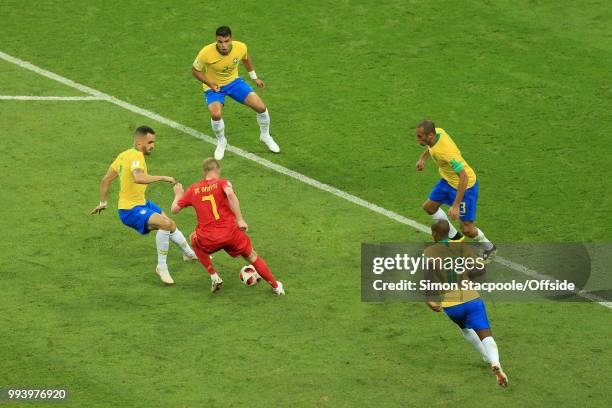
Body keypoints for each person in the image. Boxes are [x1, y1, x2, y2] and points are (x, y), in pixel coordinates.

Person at [91, 125, 197, 285]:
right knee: (165, 224)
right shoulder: (136, 156)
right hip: (131, 210)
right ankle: (162, 267)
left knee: (171, 224)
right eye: (150, 142)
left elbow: (105, 180)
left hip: (141, 203)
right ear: (140, 143)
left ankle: (189, 254)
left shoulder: (123, 155)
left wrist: (103, 203)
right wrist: (163, 177)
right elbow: (138, 178)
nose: (153, 145)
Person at [170, 158, 284, 295]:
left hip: (208, 238)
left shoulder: (193, 189)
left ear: (204, 172)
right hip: (231, 233)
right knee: (252, 256)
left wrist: (178, 195)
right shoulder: (222, 183)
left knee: (194, 238)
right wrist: (240, 219)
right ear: (217, 170)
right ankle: (276, 287)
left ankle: (214, 276)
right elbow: (230, 193)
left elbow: (174, 210)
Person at [424, 220, 508, 388]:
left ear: (434, 234)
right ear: (449, 233)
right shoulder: (463, 248)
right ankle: (495, 363)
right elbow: (481, 269)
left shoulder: (428, 252)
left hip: (451, 304)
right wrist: (467, 274)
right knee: (486, 334)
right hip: (471, 299)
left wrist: (430, 299)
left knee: (465, 328)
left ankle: (485, 357)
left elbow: (427, 278)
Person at [192, 25, 280, 160]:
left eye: (226, 41)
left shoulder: (240, 47)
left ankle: (265, 136)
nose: (223, 45)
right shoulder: (206, 52)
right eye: (220, 42)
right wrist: (210, 84)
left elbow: (245, 58)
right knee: (216, 114)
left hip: (234, 83)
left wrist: (254, 77)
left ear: (231, 39)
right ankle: (222, 141)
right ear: (216, 40)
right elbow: (195, 71)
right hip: (214, 86)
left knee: (261, 107)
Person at [415, 119, 496, 261]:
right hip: (447, 181)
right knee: (429, 207)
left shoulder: (447, 153)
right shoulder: (437, 132)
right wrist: (423, 158)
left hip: (465, 186)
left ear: (430, 135)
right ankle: (455, 238)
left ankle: (490, 248)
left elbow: (463, 177)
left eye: (420, 137)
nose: (417, 139)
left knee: (467, 229)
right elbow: (431, 148)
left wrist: (455, 205)